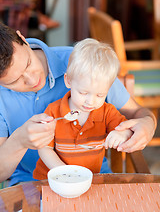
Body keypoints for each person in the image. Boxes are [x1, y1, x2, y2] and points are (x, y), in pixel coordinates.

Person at [0, 22, 156, 186]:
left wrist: (147, 123)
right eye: (15, 81)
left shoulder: (84, 63)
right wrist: (18, 141)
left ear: (22, 38)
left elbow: (138, 113)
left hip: (96, 179)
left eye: (28, 63)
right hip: (31, 183)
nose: (32, 80)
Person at [33, 39, 133, 180]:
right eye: (83, 93)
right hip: (52, 179)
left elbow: (128, 130)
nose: (90, 101)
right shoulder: (54, 112)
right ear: (68, 81)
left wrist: (122, 135)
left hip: (89, 179)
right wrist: (64, 172)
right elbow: (44, 148)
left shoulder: (107, 112)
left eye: (100, 95)